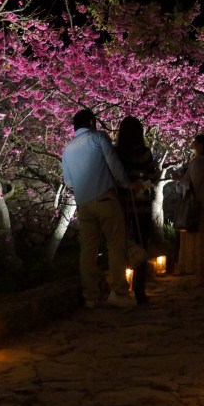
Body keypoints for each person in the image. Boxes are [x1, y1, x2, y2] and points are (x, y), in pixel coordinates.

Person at [62, 108, 142, 310]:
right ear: (91, 122)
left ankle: (90, 296)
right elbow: (114, 163)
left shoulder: (67, 150)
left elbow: (69, 182)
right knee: (115, 244)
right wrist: (126, 184)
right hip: (105, 198)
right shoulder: (98, 138)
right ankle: (119, 292)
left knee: (88, 249)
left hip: (83, 203)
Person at [115, 115, 159, 305]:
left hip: (121, 206)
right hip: (141, 206)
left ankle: (120, 287)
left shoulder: (116, 154)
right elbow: (153, 175)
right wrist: (143, 185)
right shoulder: (144, 153)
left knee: (120, 245)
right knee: (141, 245)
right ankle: (139, 289)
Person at [177, 134, 204, 287]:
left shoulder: (199, 163)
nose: (192, 142)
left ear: (200, 145)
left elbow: (193, 185)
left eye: (194, 141)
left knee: (200, 242)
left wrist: (179, 179)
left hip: (199, 207)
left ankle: (201, 274)